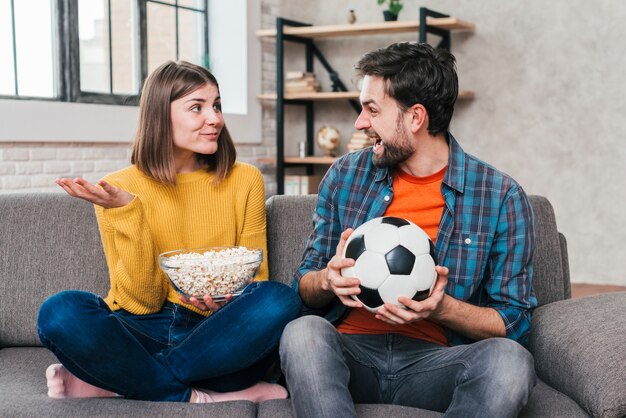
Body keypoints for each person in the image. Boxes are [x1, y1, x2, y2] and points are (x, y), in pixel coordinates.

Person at [279, 42, 538, 417]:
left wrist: (442, 308)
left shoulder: (500, 196)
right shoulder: (345, 176)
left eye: (372, 109)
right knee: (302, 334)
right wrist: (325, 281)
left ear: (415, 118)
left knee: (510, 362)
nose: (359, 123)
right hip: (350, 357)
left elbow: (515, 321)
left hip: (435, 365)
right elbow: (303, 284)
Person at [37, 61, 301, 403]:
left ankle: (124, 380)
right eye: (197, 108)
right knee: (60, 311)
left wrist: (227, 298)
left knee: (279, 298)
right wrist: (126, 211)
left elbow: (254, 279)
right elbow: (140, 302)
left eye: (216, 105)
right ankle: (196, 397)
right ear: (162, 116)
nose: (215, 119)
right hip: (141, 329)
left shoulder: (244, 179)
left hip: (216, 335)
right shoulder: (118, 187)